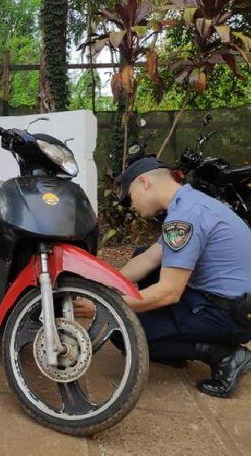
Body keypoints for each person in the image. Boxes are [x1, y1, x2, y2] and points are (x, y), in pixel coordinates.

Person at [101, 157, 251, 397]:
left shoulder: (184, 217)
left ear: (144, 183)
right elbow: (148, 259)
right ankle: (179, 343)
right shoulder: (191, 203)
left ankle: (225, 355)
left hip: (229, 314)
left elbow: (169, 293)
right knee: (144, 256)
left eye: (130, 197)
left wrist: (105, 304)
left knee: (122, 333)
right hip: (230, 303)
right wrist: (101, 284)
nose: (131, 206)